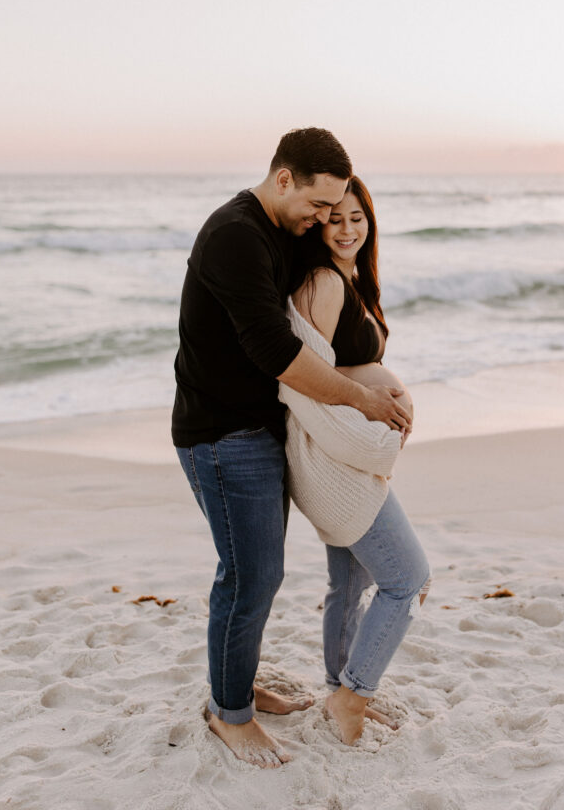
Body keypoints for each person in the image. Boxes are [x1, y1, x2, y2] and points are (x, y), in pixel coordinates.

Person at [172, 129, 412, 769]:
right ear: (284, 180)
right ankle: (230, 715)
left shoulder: (283, 228)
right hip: (222, 434)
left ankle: (237, 683)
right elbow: (280, 354)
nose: (321, 221)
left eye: (336, 210)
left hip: (261, 430)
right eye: (317, 207)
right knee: (251, 575)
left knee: (258, 573)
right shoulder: (235, 236)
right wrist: (364, 402)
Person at [280, 176, 430, 746]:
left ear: (370, 220)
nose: (346, 229)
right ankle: (352, 697)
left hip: (347, 458)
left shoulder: (348, 280)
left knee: (351, 579)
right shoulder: (323, 284)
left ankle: (337, 686)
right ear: (319, 225)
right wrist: (375, 410)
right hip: (337, 463)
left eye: (356, 218)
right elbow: (302, 379)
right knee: (409, 579)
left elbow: (332, 368)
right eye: (334, 218)